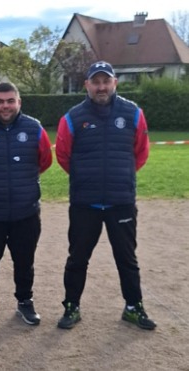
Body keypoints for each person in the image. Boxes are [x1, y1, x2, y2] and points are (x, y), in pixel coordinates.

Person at [55, 61, 156, 330]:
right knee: (77, 258)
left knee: (127, 258)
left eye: (106, 81)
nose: (101, 87)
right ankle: (71, 307)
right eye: (96, 82)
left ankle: (134, 307)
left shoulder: (133, 113)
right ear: (87, 85)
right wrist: (87, 179)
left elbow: (141, 152)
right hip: (84, 203)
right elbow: (64, 156)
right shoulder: (72, 117)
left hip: (121, 201)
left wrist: (118, 176)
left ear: (114, 83)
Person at [0, 82, 53, 326]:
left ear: (19, 102)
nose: (6, 106)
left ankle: (25, 302)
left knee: (25, 261)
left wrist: (22, 184)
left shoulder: (34, 128)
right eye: (0, 101)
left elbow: (45, 160)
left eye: (10, 101)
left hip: (26, 212)